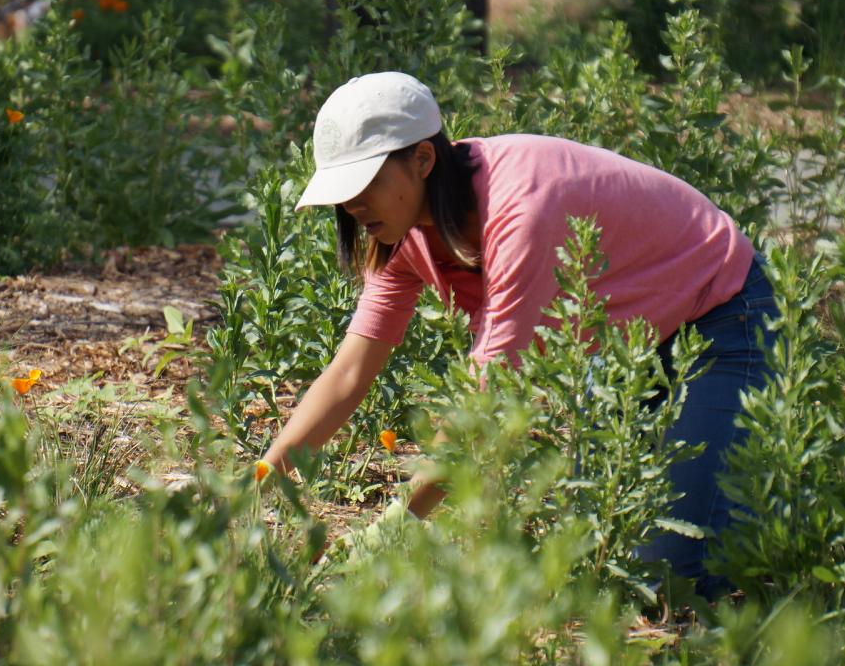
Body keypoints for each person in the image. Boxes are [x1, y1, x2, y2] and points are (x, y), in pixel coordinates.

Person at [259, 71, 777, 598]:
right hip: (624, 347)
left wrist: (390, 531)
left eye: (364, 183)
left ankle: (788, 492)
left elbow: (487, 399)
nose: (352, 205)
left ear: (422, 159)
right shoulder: (401, 234)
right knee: (606, 546)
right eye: (343, 191)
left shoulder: (520, 210)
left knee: (672, 579)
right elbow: (348, 374)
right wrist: (256, 487)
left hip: (720, 315)